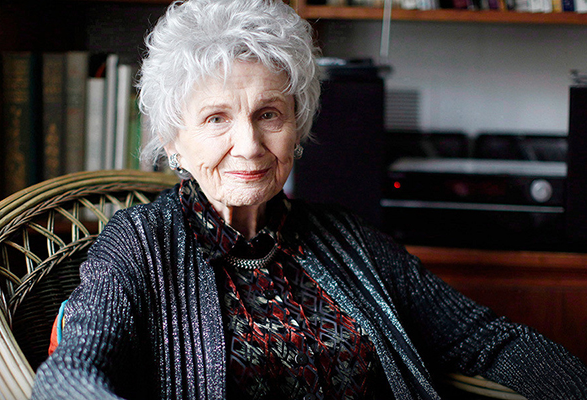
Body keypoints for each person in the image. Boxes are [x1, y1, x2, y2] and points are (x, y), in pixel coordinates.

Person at [31, 0, 587, 398]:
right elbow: (70, 374)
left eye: (269, 114)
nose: (249, 145)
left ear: (297, 127)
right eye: (217, 118)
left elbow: (488, 339)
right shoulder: (139, 245)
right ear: (174, 140)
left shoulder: (346, 237)